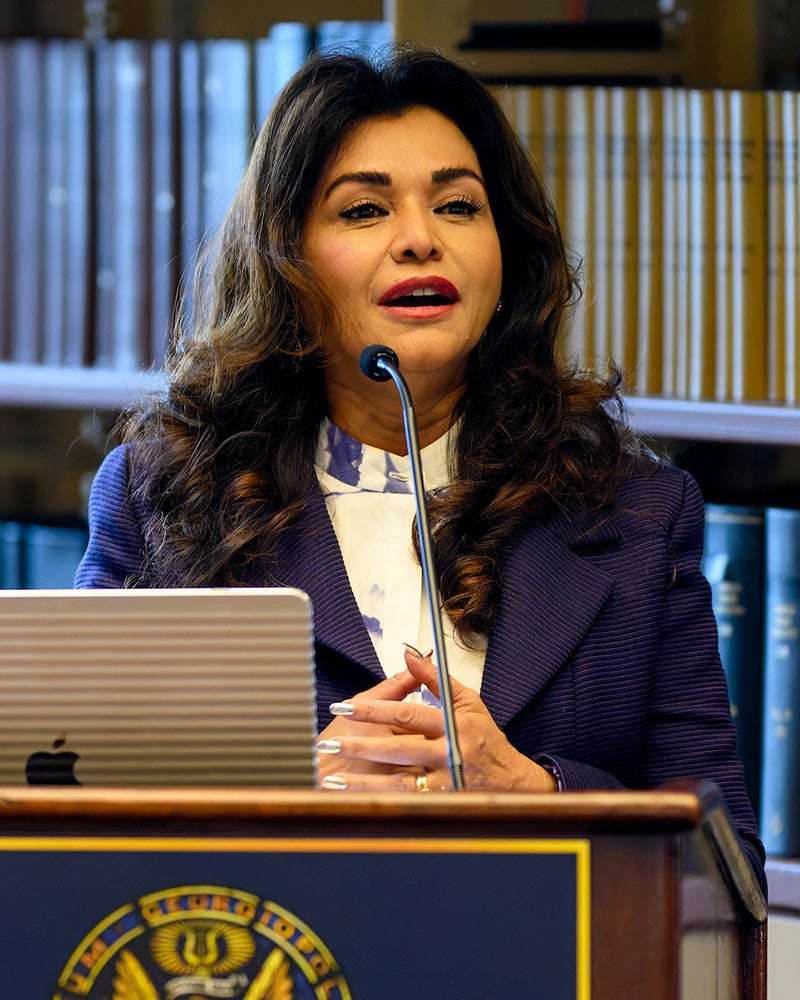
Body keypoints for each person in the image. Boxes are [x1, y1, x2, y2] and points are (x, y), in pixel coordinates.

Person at [75, 47, 765, 888]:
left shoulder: (638, 513)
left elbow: (732, 871)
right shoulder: (164, 498)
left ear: (506, 254)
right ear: (286, 264)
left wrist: (536, 790)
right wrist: (298, 788)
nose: (419, 239)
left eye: (458, 205)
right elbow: (75, 820)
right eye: (364, 210)